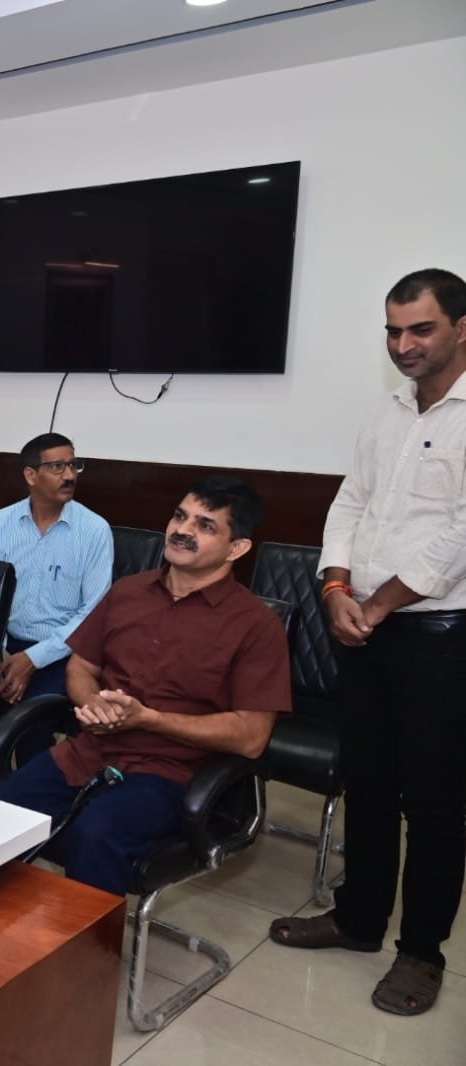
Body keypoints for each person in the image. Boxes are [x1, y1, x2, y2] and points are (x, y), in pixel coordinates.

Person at [268, 268, 466, 1017]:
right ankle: (357, 919)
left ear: (460, 328)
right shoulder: (387, 411)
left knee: (436, 803)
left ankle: (421, 952)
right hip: (363, 625)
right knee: (369, 786)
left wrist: (376, 603)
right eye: (393, 330)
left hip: (438, 635)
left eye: (420, 329)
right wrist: (333, 587)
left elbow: (458, 537)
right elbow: (350, 501)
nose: (403, 344)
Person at [0, 476, 291, 896]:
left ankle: (88, 939)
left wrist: (149, 720)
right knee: (2, 814)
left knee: (96, 835)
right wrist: (93, 703)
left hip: (173, 772)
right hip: (90, 751)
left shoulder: (256, 626)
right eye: (180, 516)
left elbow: (252, 737)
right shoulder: (128, 592)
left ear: (236, 548)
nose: (183, 530)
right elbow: (81, 666)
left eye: (205, 525)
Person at [0, 432, 113, 768]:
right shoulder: (1, 523)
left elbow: (93, 614)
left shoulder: (94, 531)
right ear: (30, 475)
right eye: (57, 467)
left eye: (73, 465)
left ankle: (32, 791)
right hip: (5, 645)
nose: (69, 475)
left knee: (31, 721)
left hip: (64, 651)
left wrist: (33, 658)